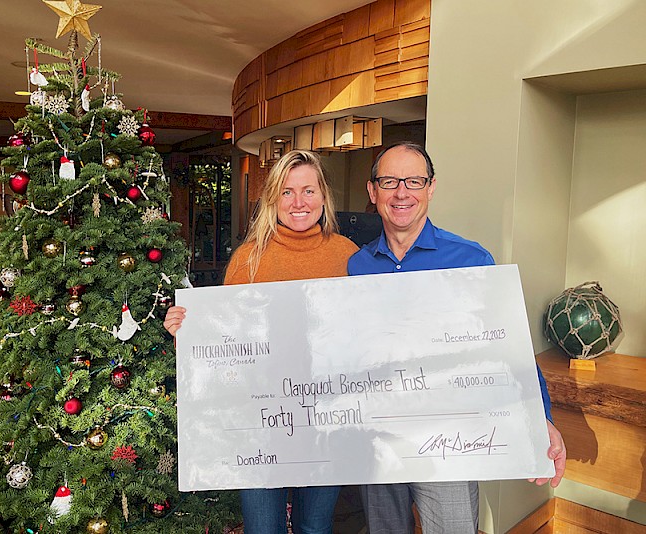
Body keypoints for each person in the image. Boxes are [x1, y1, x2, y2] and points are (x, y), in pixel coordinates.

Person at [348, 141, 567, 534]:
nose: (402, 192)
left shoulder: (470, 260)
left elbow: (508, 345)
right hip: (379, 437)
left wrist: (540, 417)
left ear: (431, 188)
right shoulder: (358, 266)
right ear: (372, 191)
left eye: (414, 181)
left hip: (449, 439)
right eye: (389, 181)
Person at [164, 149, 359, 534]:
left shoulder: (349, 256)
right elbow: (223, 347)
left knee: (315, 528)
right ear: (272, 199)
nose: (298, 202)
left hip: (327, 418)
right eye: (287, 192)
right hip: (258, 421)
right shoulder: (248, 260)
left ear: (324, 197)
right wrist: (187, 335)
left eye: (308, 190)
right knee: (262, 528)